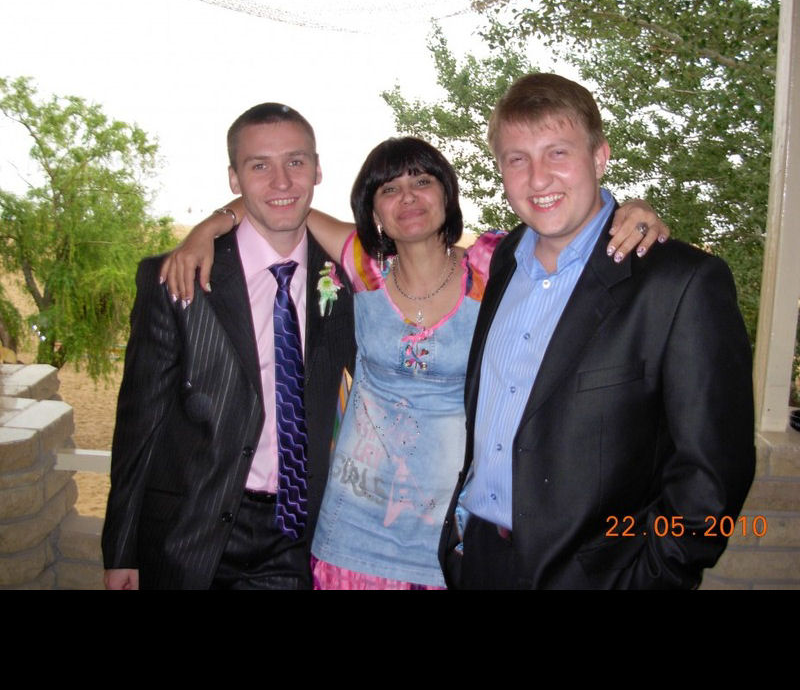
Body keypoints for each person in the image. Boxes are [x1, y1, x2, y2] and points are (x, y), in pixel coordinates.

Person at [163, 135, 668, 589]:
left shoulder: (494, 265)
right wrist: (208, 227)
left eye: (422, 182)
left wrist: (631, 212)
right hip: (354, 523)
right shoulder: (363, 267)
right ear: (373, 211)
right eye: (389, 189)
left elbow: (572, 231)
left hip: (452, 524)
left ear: (447, 194)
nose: (407, 198)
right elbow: (279, 201)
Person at [439, 73, 756, 590]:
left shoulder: (679, 284)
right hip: (476, 559)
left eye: (558, 153)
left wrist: (651, 576)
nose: (538, 179)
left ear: (600, 157)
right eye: (517, 159)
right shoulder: (504, 261)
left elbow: (713, 477)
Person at [102, 102, 356, 590]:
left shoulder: (355, 277)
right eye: (259, 166)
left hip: (305, 539)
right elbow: (140, 424)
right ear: (234, 178)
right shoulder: (178, 278)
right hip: (191, 533)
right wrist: (121, 549)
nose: (281, 181)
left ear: (318, 169)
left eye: (295, 161)